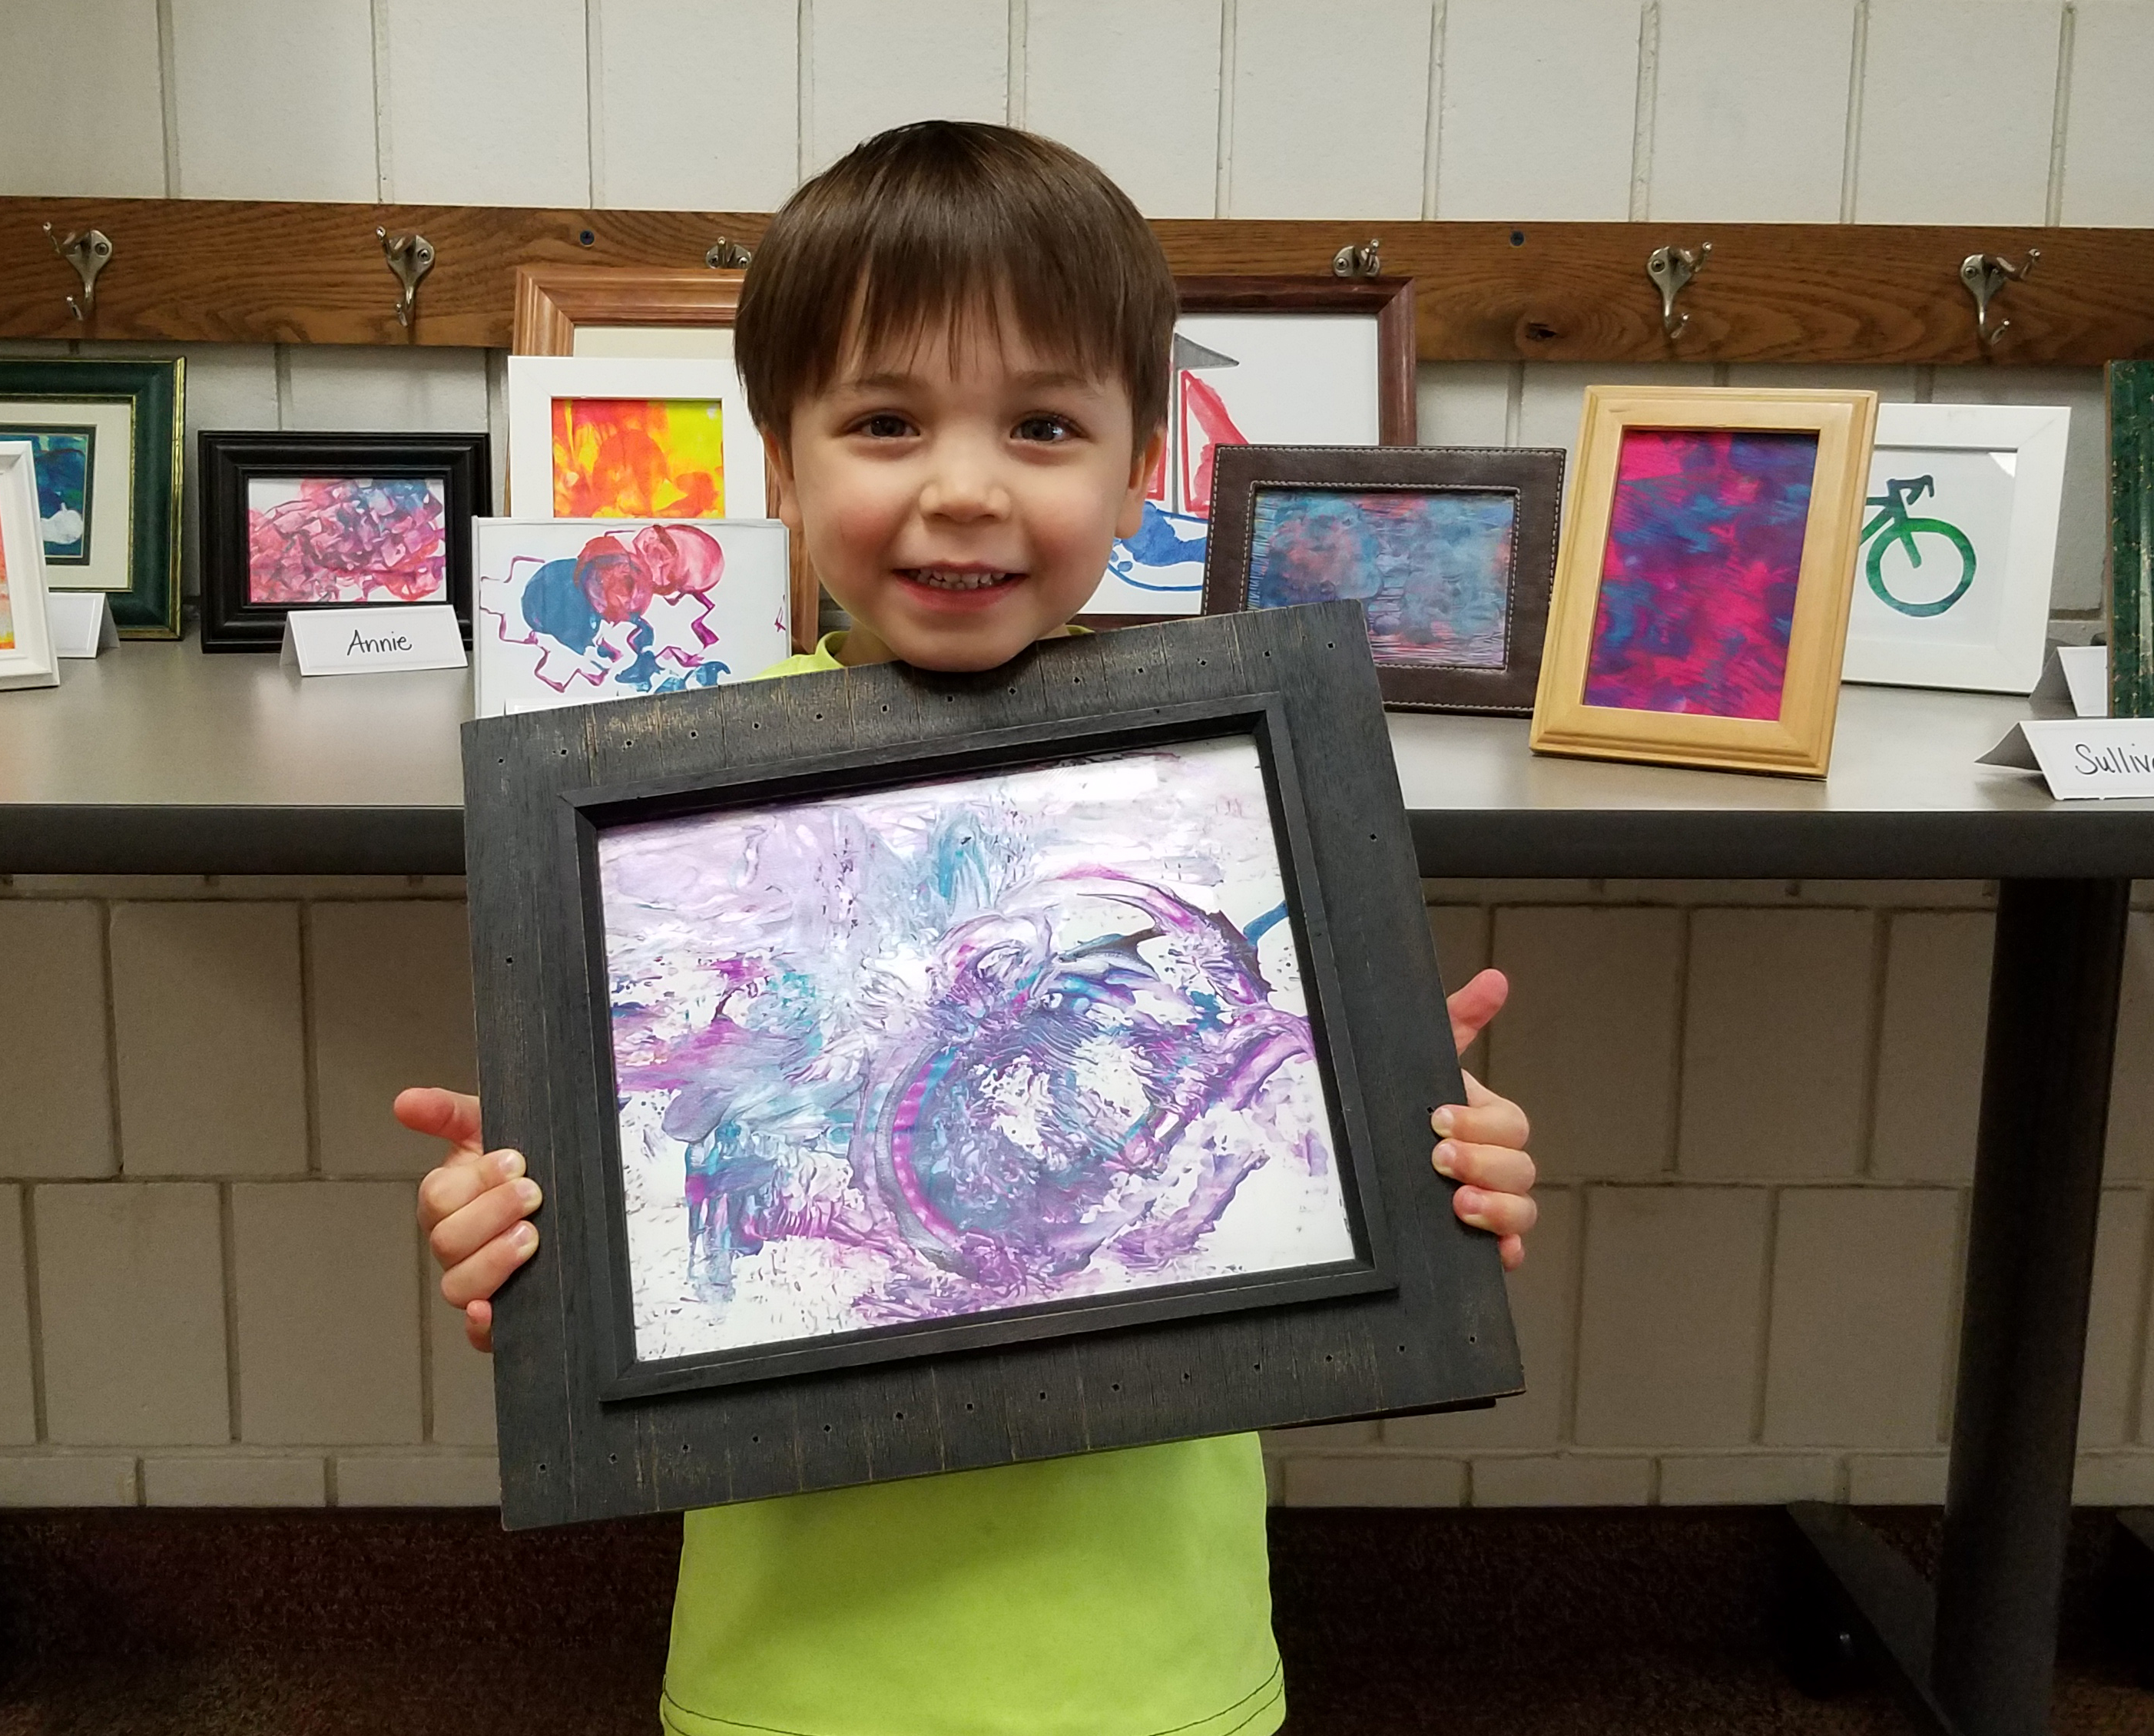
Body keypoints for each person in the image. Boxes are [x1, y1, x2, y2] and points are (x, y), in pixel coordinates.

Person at [399, 120, 1538, 1736]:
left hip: (1153, 1665)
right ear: (781, 459)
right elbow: (653, 1200)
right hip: (798, 1672)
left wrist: (1434, 1161)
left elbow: (1295, 1156)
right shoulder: (669, 824)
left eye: (1044, 422)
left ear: (1143, 461)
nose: (961, 485)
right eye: (883, 420)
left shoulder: (1222, 789)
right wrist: (521, 1216)